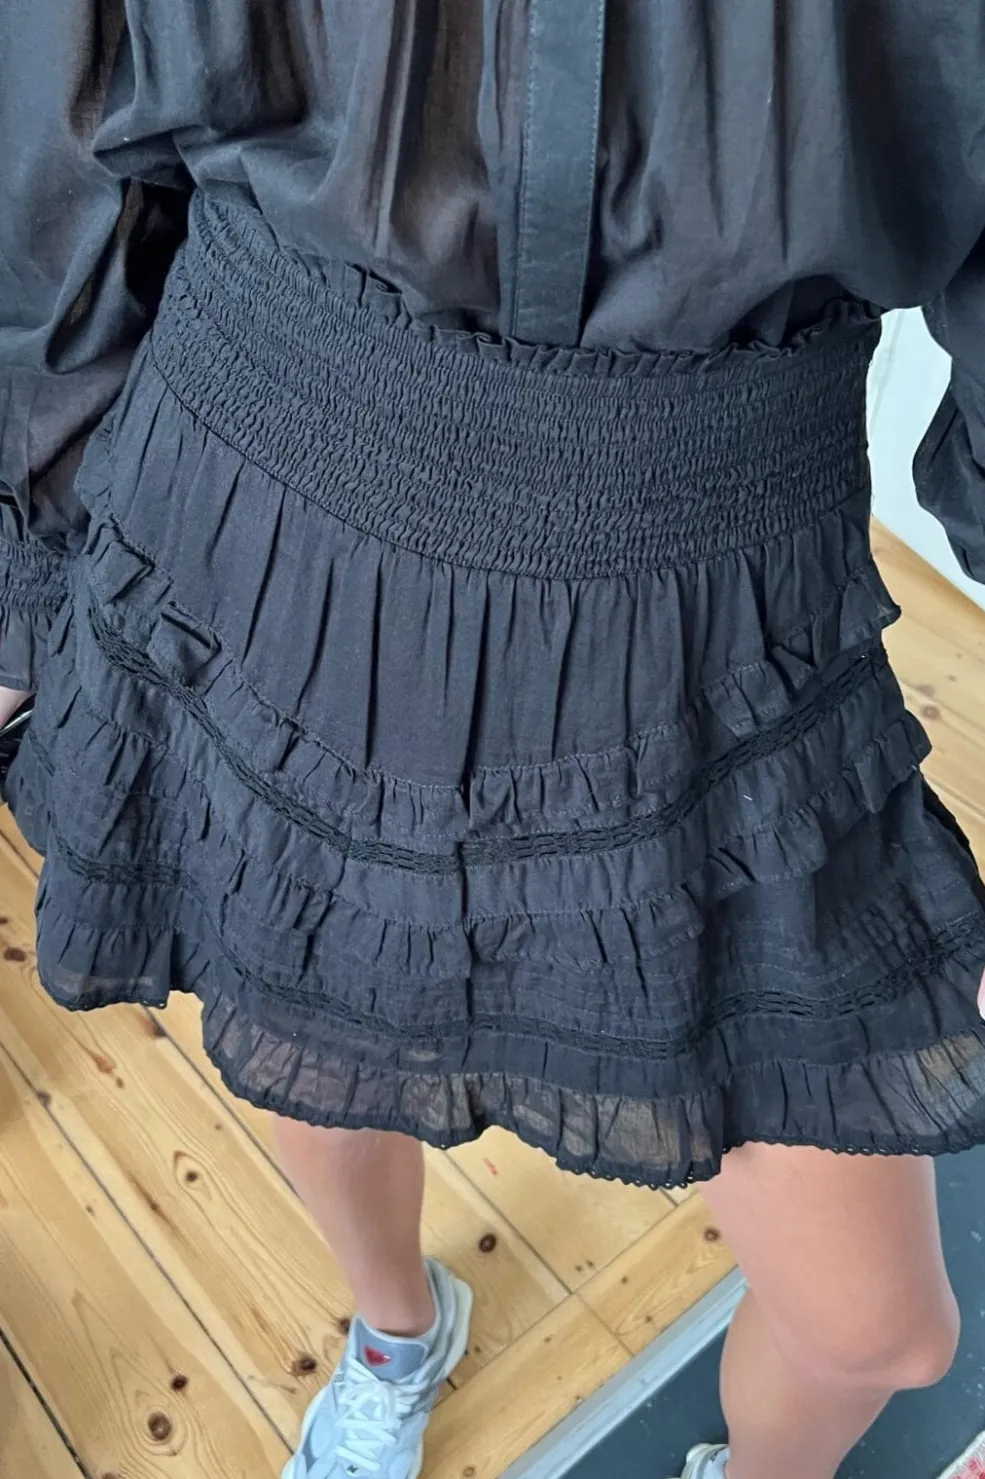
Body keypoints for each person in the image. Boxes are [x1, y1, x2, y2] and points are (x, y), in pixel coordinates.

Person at [2, 4, 985, 1478]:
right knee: (315, 1065)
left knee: (874, 1331)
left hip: (709, 615)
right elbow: (58, 92)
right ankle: (396, 1332)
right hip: (268, 508)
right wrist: (24, 561)